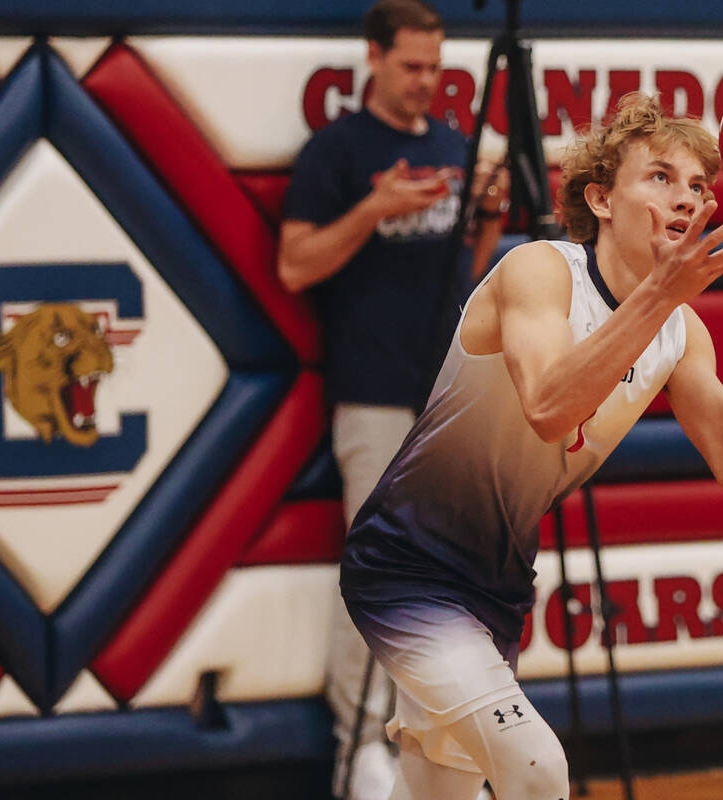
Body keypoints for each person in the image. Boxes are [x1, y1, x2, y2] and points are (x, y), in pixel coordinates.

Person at [338, 91, 723, 800]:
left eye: (695, 185)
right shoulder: (541, 271)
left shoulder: (681, 332)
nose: (684, 198)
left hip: (493, 587)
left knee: (436, 794)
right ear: (601, 199)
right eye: (659, 177)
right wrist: (659, 295)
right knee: (536, 769)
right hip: (406, 566)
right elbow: (552, 407)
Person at [277, 2, 506, 798]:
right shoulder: (338, 151)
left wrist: (487, 219)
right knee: (376, 573)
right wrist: (376, 208)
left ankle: (434, 754)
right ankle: (360, 747)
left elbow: (466, 280)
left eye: (435, 67)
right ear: (373, 57)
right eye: (410, 66)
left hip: (447, 392)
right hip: (371, 389)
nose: (425, 82)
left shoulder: (452, 146)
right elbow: (295, 266)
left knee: (449, 580)